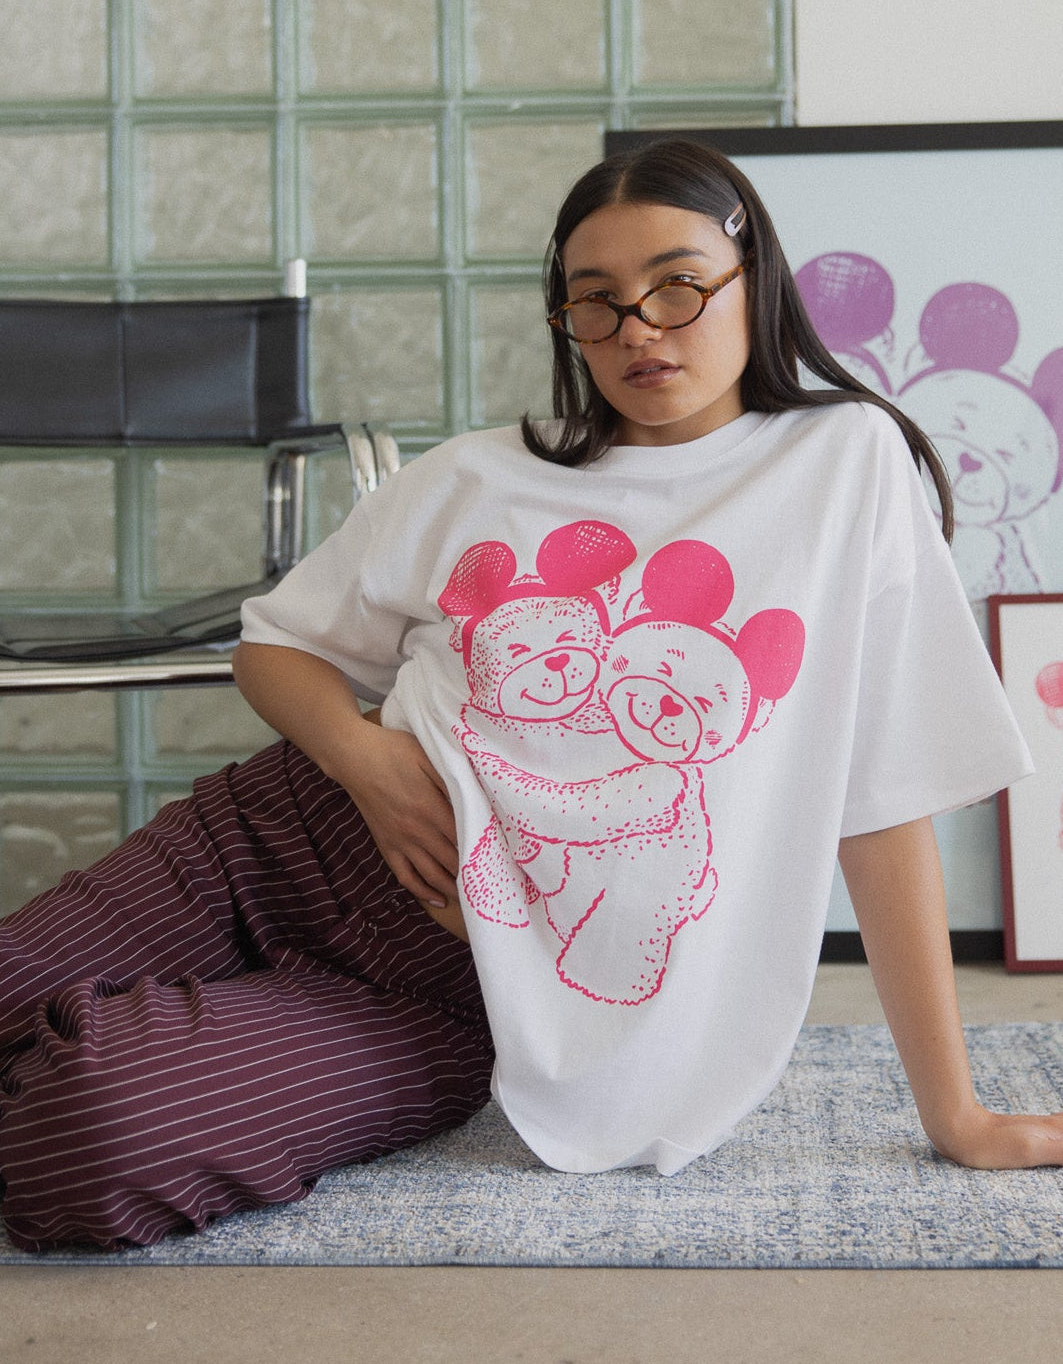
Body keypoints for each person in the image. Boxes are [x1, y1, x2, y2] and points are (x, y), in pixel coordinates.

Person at [2, 140, 1062, 1253]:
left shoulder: (847, 466)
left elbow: (882, 797)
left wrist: (957, 1113)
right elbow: (275, 646)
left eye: (677, 285)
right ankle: (110, 1020)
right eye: (594, 304)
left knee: (87, 1136)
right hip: (278, 841)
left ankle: (126, 1042)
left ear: (758, 279)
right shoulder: (480, 472)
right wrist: (369, 767)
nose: (639, 329)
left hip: (448, 990)